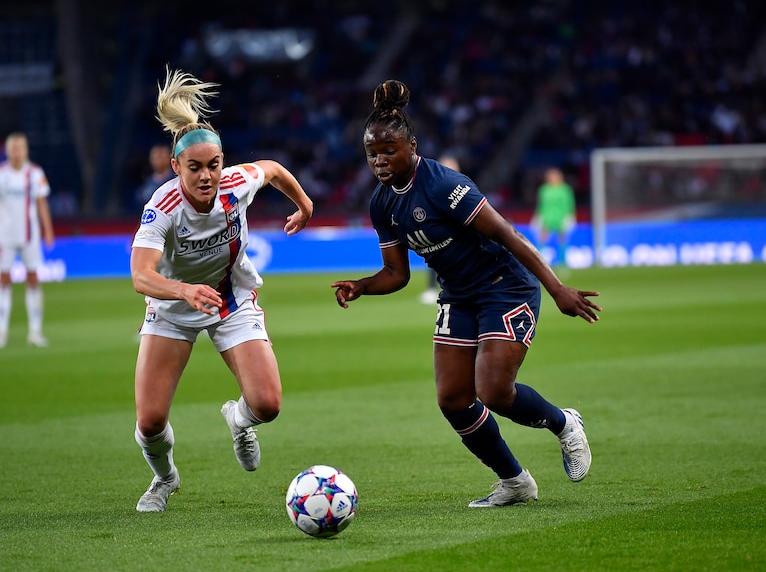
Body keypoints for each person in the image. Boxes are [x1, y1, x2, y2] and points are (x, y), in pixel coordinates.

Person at [332, 80, 601, 507]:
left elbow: (509, 235)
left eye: (389, 150)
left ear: (412, 146)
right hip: (458, 295)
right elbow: (397, 274)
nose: (380, 161)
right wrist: (362, 286)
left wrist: (557, 289)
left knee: (493, 391)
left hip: (504, 287)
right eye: (372, 154)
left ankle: (564, 423)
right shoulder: (381, 203)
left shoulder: (444, 185)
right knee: (453, 398)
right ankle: (515, 482)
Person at [130, 69, 313, 512]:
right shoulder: (163, 208)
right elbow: (140, 276)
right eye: (195, 168)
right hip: (174, 308)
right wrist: (184, 291)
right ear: (176, 168)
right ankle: (164, 478)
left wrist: (304, 204)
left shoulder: (235, 183)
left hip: (230, 301)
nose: (207, 176)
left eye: (213, 165)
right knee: (151, 420)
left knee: (267, 404)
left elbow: (271, 170)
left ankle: (238, 419)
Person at [0, 132, 54, 348]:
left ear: (26, 151)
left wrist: (48, 230)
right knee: (3, 280)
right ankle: (1, 333)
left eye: (20, 148)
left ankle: (35, 332)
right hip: (4, 236)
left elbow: (42, 203)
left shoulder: (35, 173)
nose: (17, 153)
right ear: (7, 151)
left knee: (33, 279)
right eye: (13, 149)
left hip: (30, 235)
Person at [420, 153, 460, 305]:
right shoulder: (433, 191)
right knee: (436, 259)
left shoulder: (462, 191)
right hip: (441, 235)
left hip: (457, 237)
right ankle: (432, 289)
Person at [531, 167, 576, 266]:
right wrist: (538, 216)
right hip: (547, 216)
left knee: (563, 238)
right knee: (542, 238)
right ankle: (537, 260)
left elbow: (570, 204)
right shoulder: (544, 190)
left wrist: (570, 216)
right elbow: (541, 205)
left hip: (561, 217)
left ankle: (563, 261)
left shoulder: (565, 189)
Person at [135, 143, 174, 207]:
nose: (157, 160)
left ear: (169, 158)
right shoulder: (147, 182)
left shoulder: (176, 181)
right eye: (155, 157)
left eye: (160, 156)